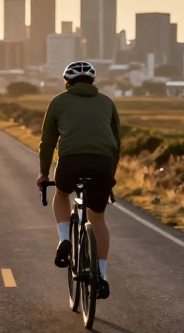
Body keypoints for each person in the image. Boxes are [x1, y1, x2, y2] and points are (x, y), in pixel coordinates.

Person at [35, 60, 121, 299]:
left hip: (70, 161)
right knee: (98, 218)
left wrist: (43, 173)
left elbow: (47, 142)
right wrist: (110, 174)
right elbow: (116, 143)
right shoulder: (107, 102)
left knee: (61, 194)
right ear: (93, 82)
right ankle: (101, 276)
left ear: (67, 82)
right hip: (103, 163)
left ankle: (64, 239)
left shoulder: (58, 102)